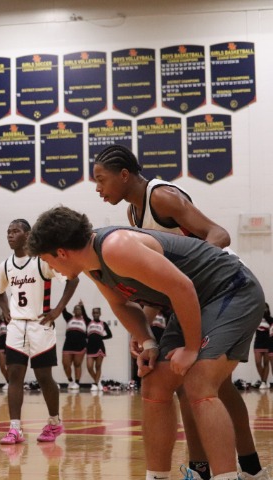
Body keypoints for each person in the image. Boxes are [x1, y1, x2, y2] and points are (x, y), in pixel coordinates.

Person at [27, 205, 266, 480]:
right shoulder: (92, 264)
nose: (51, 268)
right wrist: (147, 342)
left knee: (198, 382)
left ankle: (228, 476)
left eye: (47, 260)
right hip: (193, 301)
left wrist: (191, 349)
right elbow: (121, 304)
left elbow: (182, 287)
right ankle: (157, 476)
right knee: (154, 382)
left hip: (231, 288)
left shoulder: (115, 247)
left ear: (61, 252)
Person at [93, 144, 268, 480]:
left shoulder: (162, 197)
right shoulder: (132, 215)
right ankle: (243, 468)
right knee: (208, 385)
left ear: (124, 175)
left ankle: (220, 469)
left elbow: (219, 234)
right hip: (189, 297)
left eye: (101, 180)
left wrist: (193, 272)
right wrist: (142, 334)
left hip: (223, 287)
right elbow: (155, 283)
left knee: (198, 382)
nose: (98, 189)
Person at [0, 218, 78, 446]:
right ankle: (15, 428)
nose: (10, 235)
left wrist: (58, 310)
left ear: (28, 235)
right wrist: (5, 310)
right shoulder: (5, 265)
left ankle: (54, 422)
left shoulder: (42, 262)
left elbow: (72, 279)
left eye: (15, 231)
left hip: (40, 325)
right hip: (16, 326)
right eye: (8, 231)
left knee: (43, 377)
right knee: (14, 375)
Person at [61, 302, 89, 390]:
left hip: (80, 345)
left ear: (82, 311)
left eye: (79, 309)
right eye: (76, 309)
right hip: (68, 345)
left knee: (77, 364)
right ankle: (70, 381)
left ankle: (77, 383)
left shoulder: (85, 320)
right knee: (66, 364)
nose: (77, 310)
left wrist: (82, 306)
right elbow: (63, 310)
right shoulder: (69, 318)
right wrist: (63, 301)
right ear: (73, 311)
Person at [86, 307, 112, 392]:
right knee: (89, 367)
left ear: (100, 314)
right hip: (90, 347)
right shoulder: (89, 322)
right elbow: (84, 315)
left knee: (98, 366)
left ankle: (95, 384)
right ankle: (98, 382)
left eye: (97, 312)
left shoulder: (103, 323)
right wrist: (82, 306)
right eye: (94, 312)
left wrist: (101, 337)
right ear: (92, 314)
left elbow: (110, 335)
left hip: (99, 347)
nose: (95, 314)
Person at [254, 303, 271, 390]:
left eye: (266, 308)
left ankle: (263, 382)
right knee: (258, 363)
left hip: (267, 343)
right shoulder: (256, 318)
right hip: (258, 342)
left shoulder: (270, 319)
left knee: (266, 363)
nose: (264, 310)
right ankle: (264, 381)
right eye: (263, 308)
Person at [0, 302, 9, 391]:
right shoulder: (0, 321)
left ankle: (12, 383)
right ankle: (9, 382)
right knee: (2, 367)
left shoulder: (11, 322)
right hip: (1, 347)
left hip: (9, 347)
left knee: (11, 367)